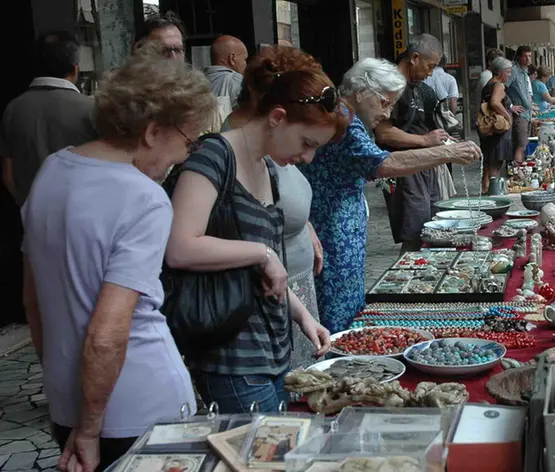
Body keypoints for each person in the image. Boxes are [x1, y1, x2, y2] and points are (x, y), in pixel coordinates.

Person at [21, 47, 217, 472]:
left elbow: (33, 302)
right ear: (152, 132)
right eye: (187, 141)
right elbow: (109, 332)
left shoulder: (51, 170)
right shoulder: (143, 198)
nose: (183, 157)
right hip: (137, 405)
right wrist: (90, 428)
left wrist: (65, 385)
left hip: (66, 398)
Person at [164, 50, 344, 413]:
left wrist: (304, 316)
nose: (307, 158)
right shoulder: (213, 156)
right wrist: (263, 254)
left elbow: (265, 273)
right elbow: (180, 247)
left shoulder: (266, 167)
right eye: (307, 144)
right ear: (277, 117)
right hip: (230, 358)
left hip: (270, 352)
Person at [300, 58, 480, 333]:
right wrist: (447, 153)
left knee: (345, 302)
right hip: (332, 226)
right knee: (338, 308)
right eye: (384, 103)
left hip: (339, 223)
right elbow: (382, 163)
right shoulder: (345, 121)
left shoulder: (347, 117)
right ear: (361, 93)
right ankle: (338, 354)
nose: (386, 113)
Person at [218, 46, 326, 370]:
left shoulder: (273, 145)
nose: (306, 156)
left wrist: (306, 226)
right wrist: (265, 256)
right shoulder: (237, 150)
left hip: (292, 290)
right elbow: (188, 245)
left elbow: (280, 204)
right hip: (269, 299)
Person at [374, 33, 452, 253]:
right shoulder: (391, 86)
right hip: (404, 167)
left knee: (432, 226)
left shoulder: (419, 88)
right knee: (415, 233)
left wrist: (441, 140)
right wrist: (425, 140)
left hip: (423, 163)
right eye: (430, 66)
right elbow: (384, 133)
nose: (430, 73)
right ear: (414, 58)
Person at [1, 31, 97, 206]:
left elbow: (8, 176)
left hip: (32, 222)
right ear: (75, 69)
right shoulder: (91, 109)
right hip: (85, 217)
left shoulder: (13, 109)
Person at [479, 57, 514, 194]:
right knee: (496, 162)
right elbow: (494, 102)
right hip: (498, 127)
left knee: (489, 160)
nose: (509, 75)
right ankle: (494, 192)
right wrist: (507, 115)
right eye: (508, 72)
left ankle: (485, 188)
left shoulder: (488, 84)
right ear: (500, 73)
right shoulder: (498, 85)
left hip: (489, 127)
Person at [205, 35, 248, 110]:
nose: (246, 64)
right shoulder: (237, 81)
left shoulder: (196, 83)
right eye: (245, 59)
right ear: (232, 58)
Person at [505, 45, 532, 163]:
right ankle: (517, 176)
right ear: (519, 57)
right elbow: (501, 88)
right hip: (519, 115)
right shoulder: (514, 71)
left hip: (527, 114)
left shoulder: (524, 72)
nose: (528, 59)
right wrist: (510, 106)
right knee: (520, 146)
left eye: (529, 56)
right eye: (525, 56)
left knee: (523, 146)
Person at [474, 49, 504, 123]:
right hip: (488, 120)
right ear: (490, 62)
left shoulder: (491, 76)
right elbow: (491, 100)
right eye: (498, 62)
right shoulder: (487, 76)